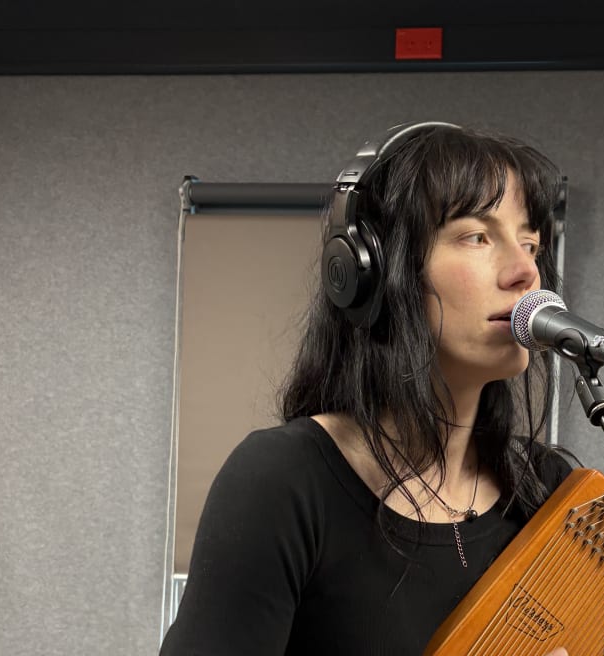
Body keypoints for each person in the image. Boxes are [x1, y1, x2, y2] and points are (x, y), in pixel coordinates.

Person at [160, 123, 573, 655]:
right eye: (477, 236)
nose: (525, 272)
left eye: (531, 243)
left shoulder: (547, 491)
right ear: (377, 272)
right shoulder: (282, 482)